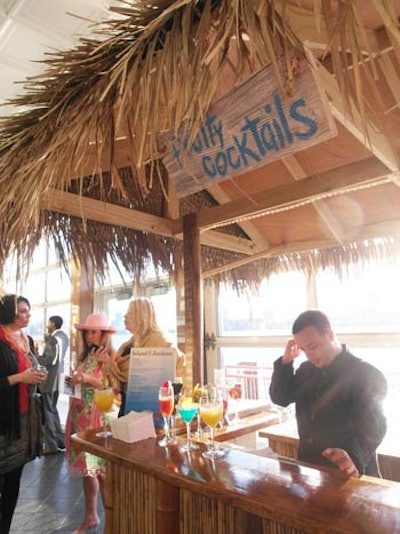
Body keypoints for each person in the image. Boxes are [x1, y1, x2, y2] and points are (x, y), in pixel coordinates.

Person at [269, 310, 387, 478]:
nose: (309, 356)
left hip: (351, 474)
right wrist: (286, 363)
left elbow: (374, 426)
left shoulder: (366, 374)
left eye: (313, 347)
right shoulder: (306, 370)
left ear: (330, 334)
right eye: (303, 350)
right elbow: (280, 397)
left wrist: (353, 456)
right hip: (310, 472)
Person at [65, 313, 116, 534]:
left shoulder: (108, 356)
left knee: (101, 471)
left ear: (104, 334)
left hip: (98, 416)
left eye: (93, 332)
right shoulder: (88, 355)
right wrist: (75, 378)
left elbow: (111, 385)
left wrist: (84, 378)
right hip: (81, 414)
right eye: (86, 332)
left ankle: (112, 522)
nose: (88, 336)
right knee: (88, 470)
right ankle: (91, 516)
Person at [0, 293, 47, 533]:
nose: (28, 315)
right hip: (3, 420)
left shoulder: (26, 338)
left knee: (13, 479)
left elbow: (31, 368)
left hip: (22, 418)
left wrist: (37, 375)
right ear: (9, 312)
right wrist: (21, 378)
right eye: (23, 310)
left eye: (29, 310)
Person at [103, 297, 185, 417]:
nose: (125, 316)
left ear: (142, 316)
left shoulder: (160, 341)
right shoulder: (128, 344)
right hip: (127, 408)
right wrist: (107, 362)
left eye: (130, 313)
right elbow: (119, 380)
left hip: (152, 410)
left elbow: (179, 365)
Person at [37, 315, 68, 453]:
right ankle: (60, 442)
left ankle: (50, 446)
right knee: (53, 410)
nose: (47, 325)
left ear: (53, 323)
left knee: (48, 412)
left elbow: (51, 359)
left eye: (49, 322)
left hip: (49, 380)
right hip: (57, 380)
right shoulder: (64, 337)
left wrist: (36, 356)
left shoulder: (53, 338)